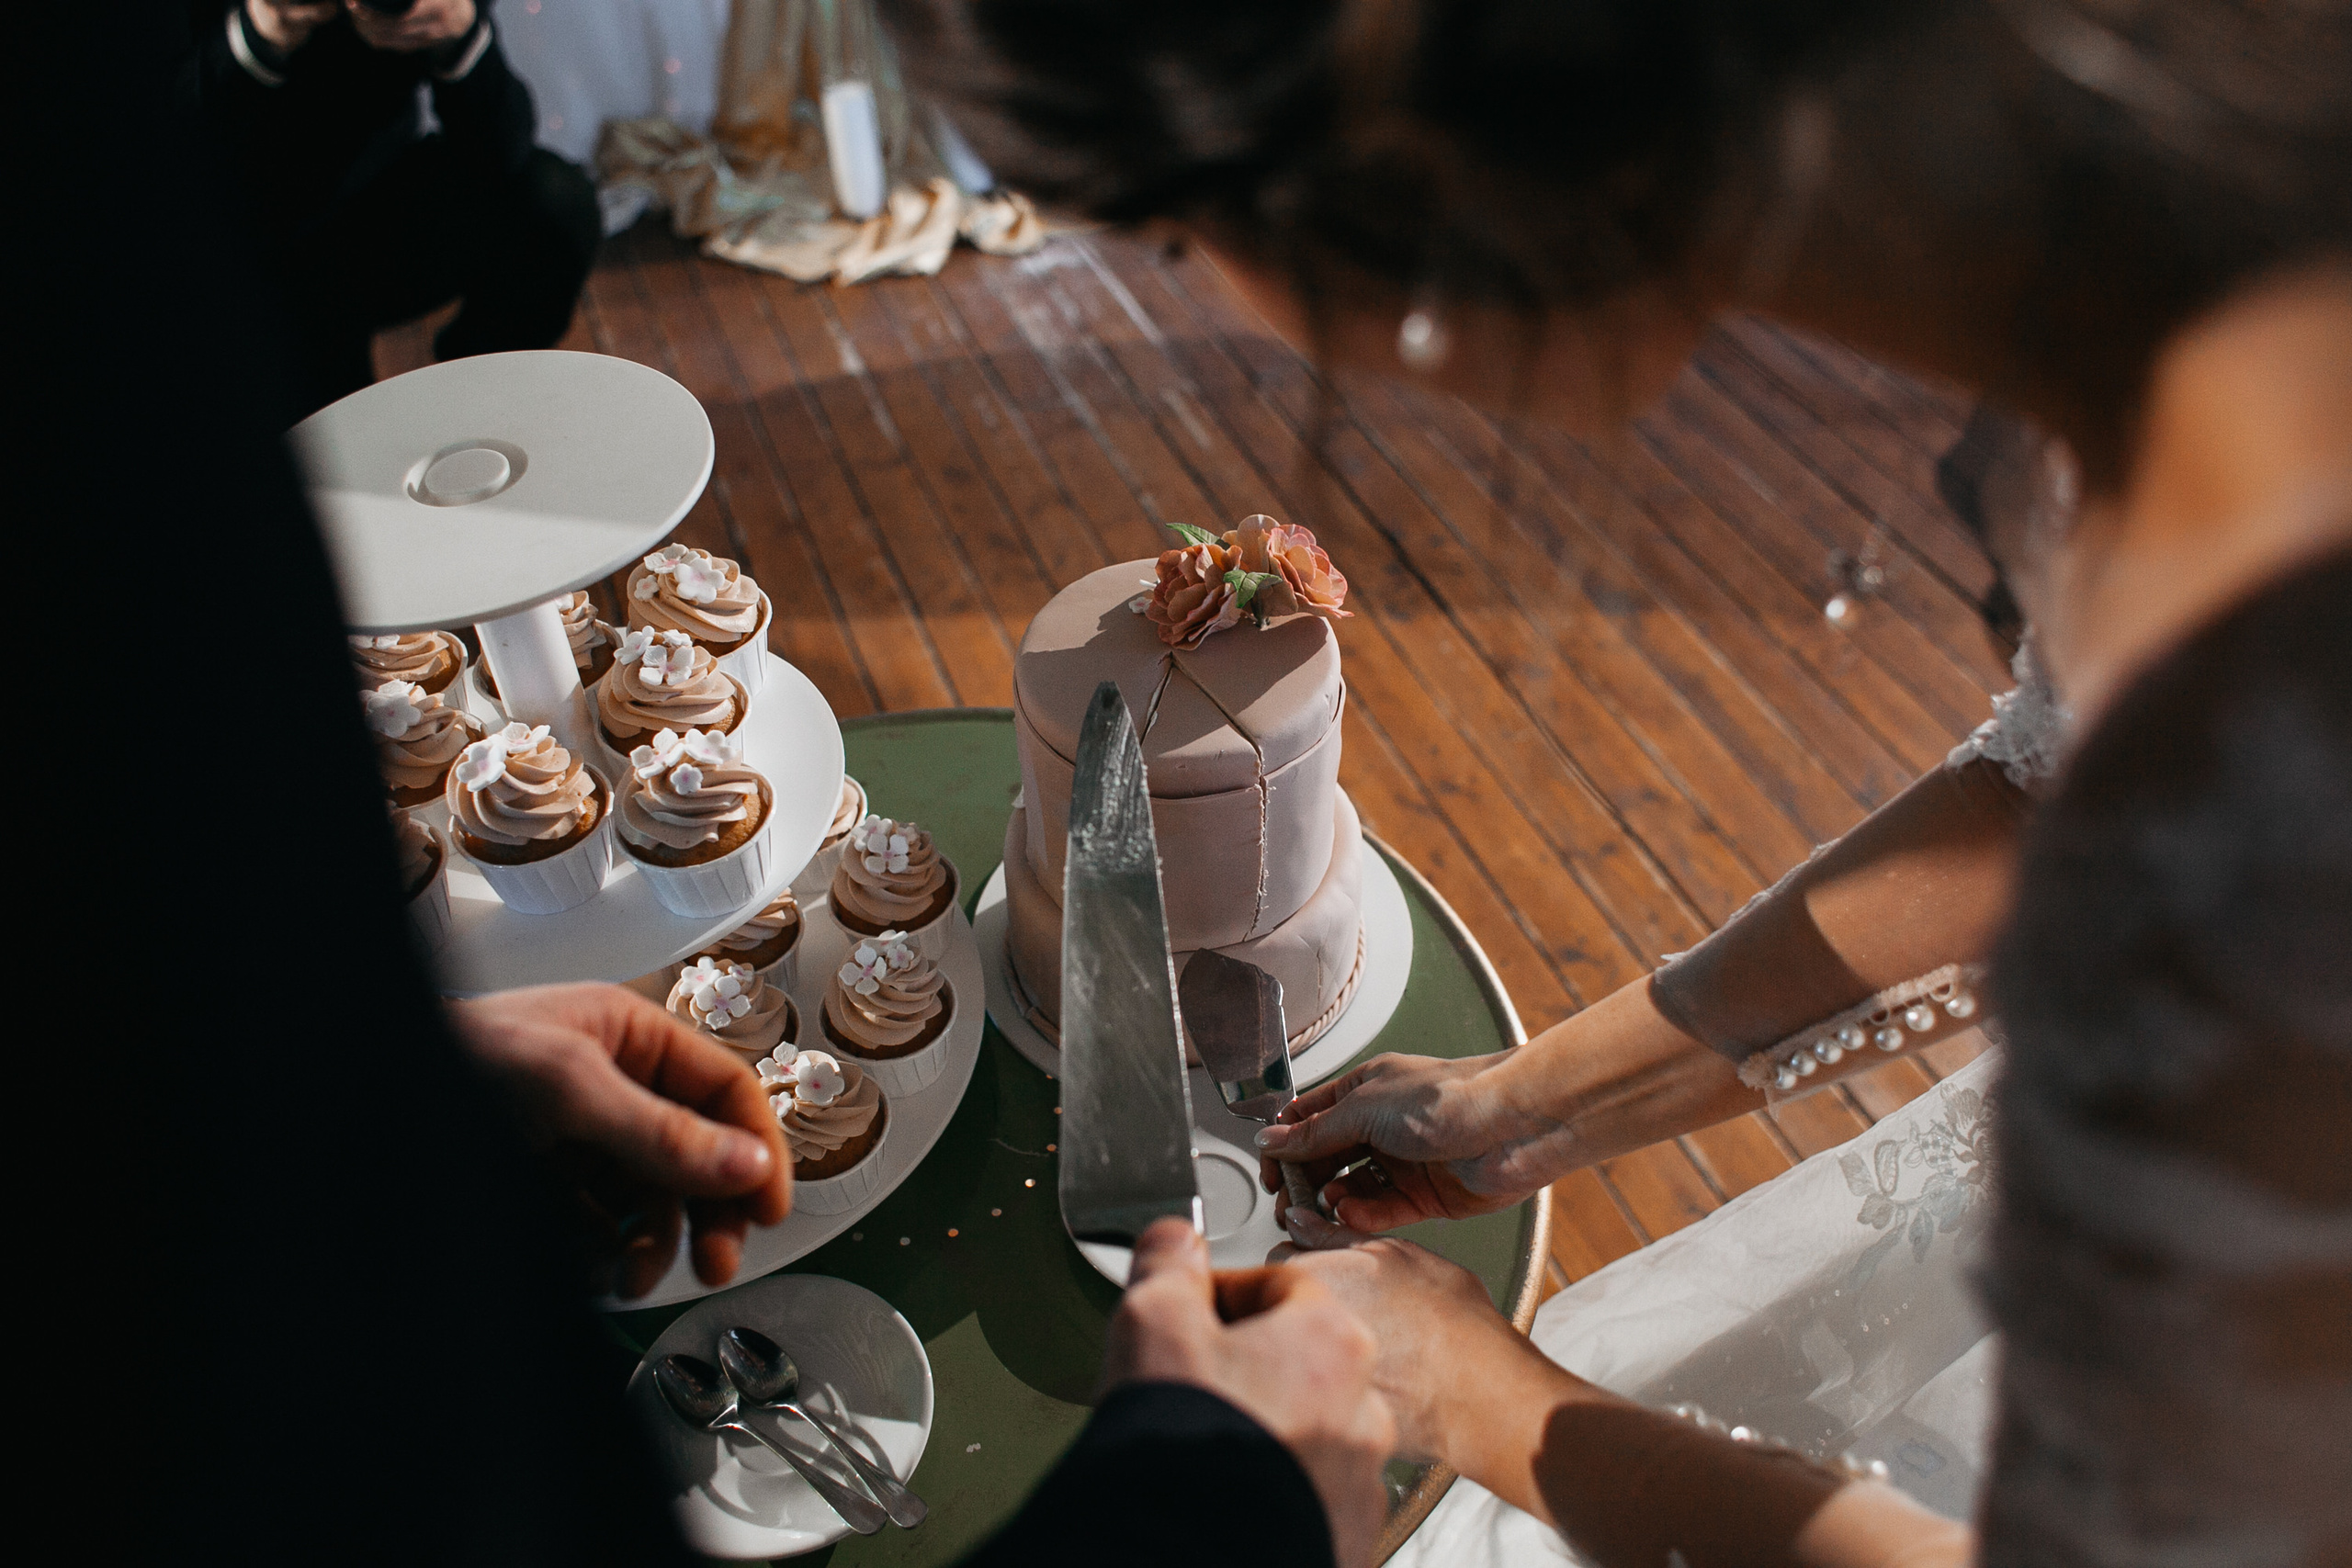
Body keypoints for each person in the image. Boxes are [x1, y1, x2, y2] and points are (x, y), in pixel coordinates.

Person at [876, 0, 2352, 1560]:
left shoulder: (2271, 620)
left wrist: (1482, 1402)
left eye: (1175, 243)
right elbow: (2054, 804)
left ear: (1378, 160)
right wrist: (1515, 1107)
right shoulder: (2203, 276)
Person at [184, 0, 603, 418]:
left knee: (555, 204)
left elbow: (500, 156)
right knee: (335, 439)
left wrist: (460, 37)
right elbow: (153, 146)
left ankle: (481, 395)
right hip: (231, 243)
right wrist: (258, 33)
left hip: (371, 205)